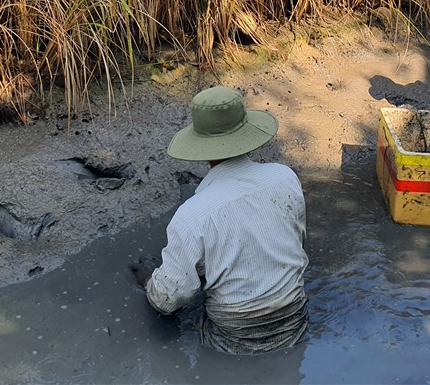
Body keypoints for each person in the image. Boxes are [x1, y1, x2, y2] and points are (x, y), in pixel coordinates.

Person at [129, 86, 309, 354]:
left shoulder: (192, 215)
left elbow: (168, 301)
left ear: (201, 146)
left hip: (232, 342)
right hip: (295, 324)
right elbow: (295, 240)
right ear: (246, 131)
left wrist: (149, 280)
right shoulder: (285, 178)